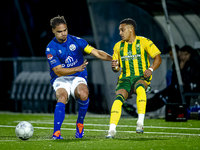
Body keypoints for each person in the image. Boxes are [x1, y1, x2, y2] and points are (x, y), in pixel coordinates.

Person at [45, 15, 112, 139]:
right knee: (62, 97)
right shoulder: (51, 48)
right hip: (61, 78)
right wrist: (77, 68)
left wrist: (113, 59)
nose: (63, 33)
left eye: (65, 30)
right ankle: (56, 132)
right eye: (59, 32)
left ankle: (80, 123)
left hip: (77, 76)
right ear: (53, 30)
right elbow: (58, 71)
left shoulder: (77, 41)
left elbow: (96, 52)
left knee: (83, 94)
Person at [106, 18, 162, 138]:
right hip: (125, 79)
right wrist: (115, 67)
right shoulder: (118, 46)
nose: (120, 33)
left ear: (131, 30)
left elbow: (158, 57)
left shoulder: (144, 41)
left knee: (140, 87)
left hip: (141, 76)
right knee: (118, 98)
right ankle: (111, 130)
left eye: (122, 30)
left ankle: (140, 122)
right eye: (119, 30)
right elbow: (116, 68)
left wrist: (151, 69)